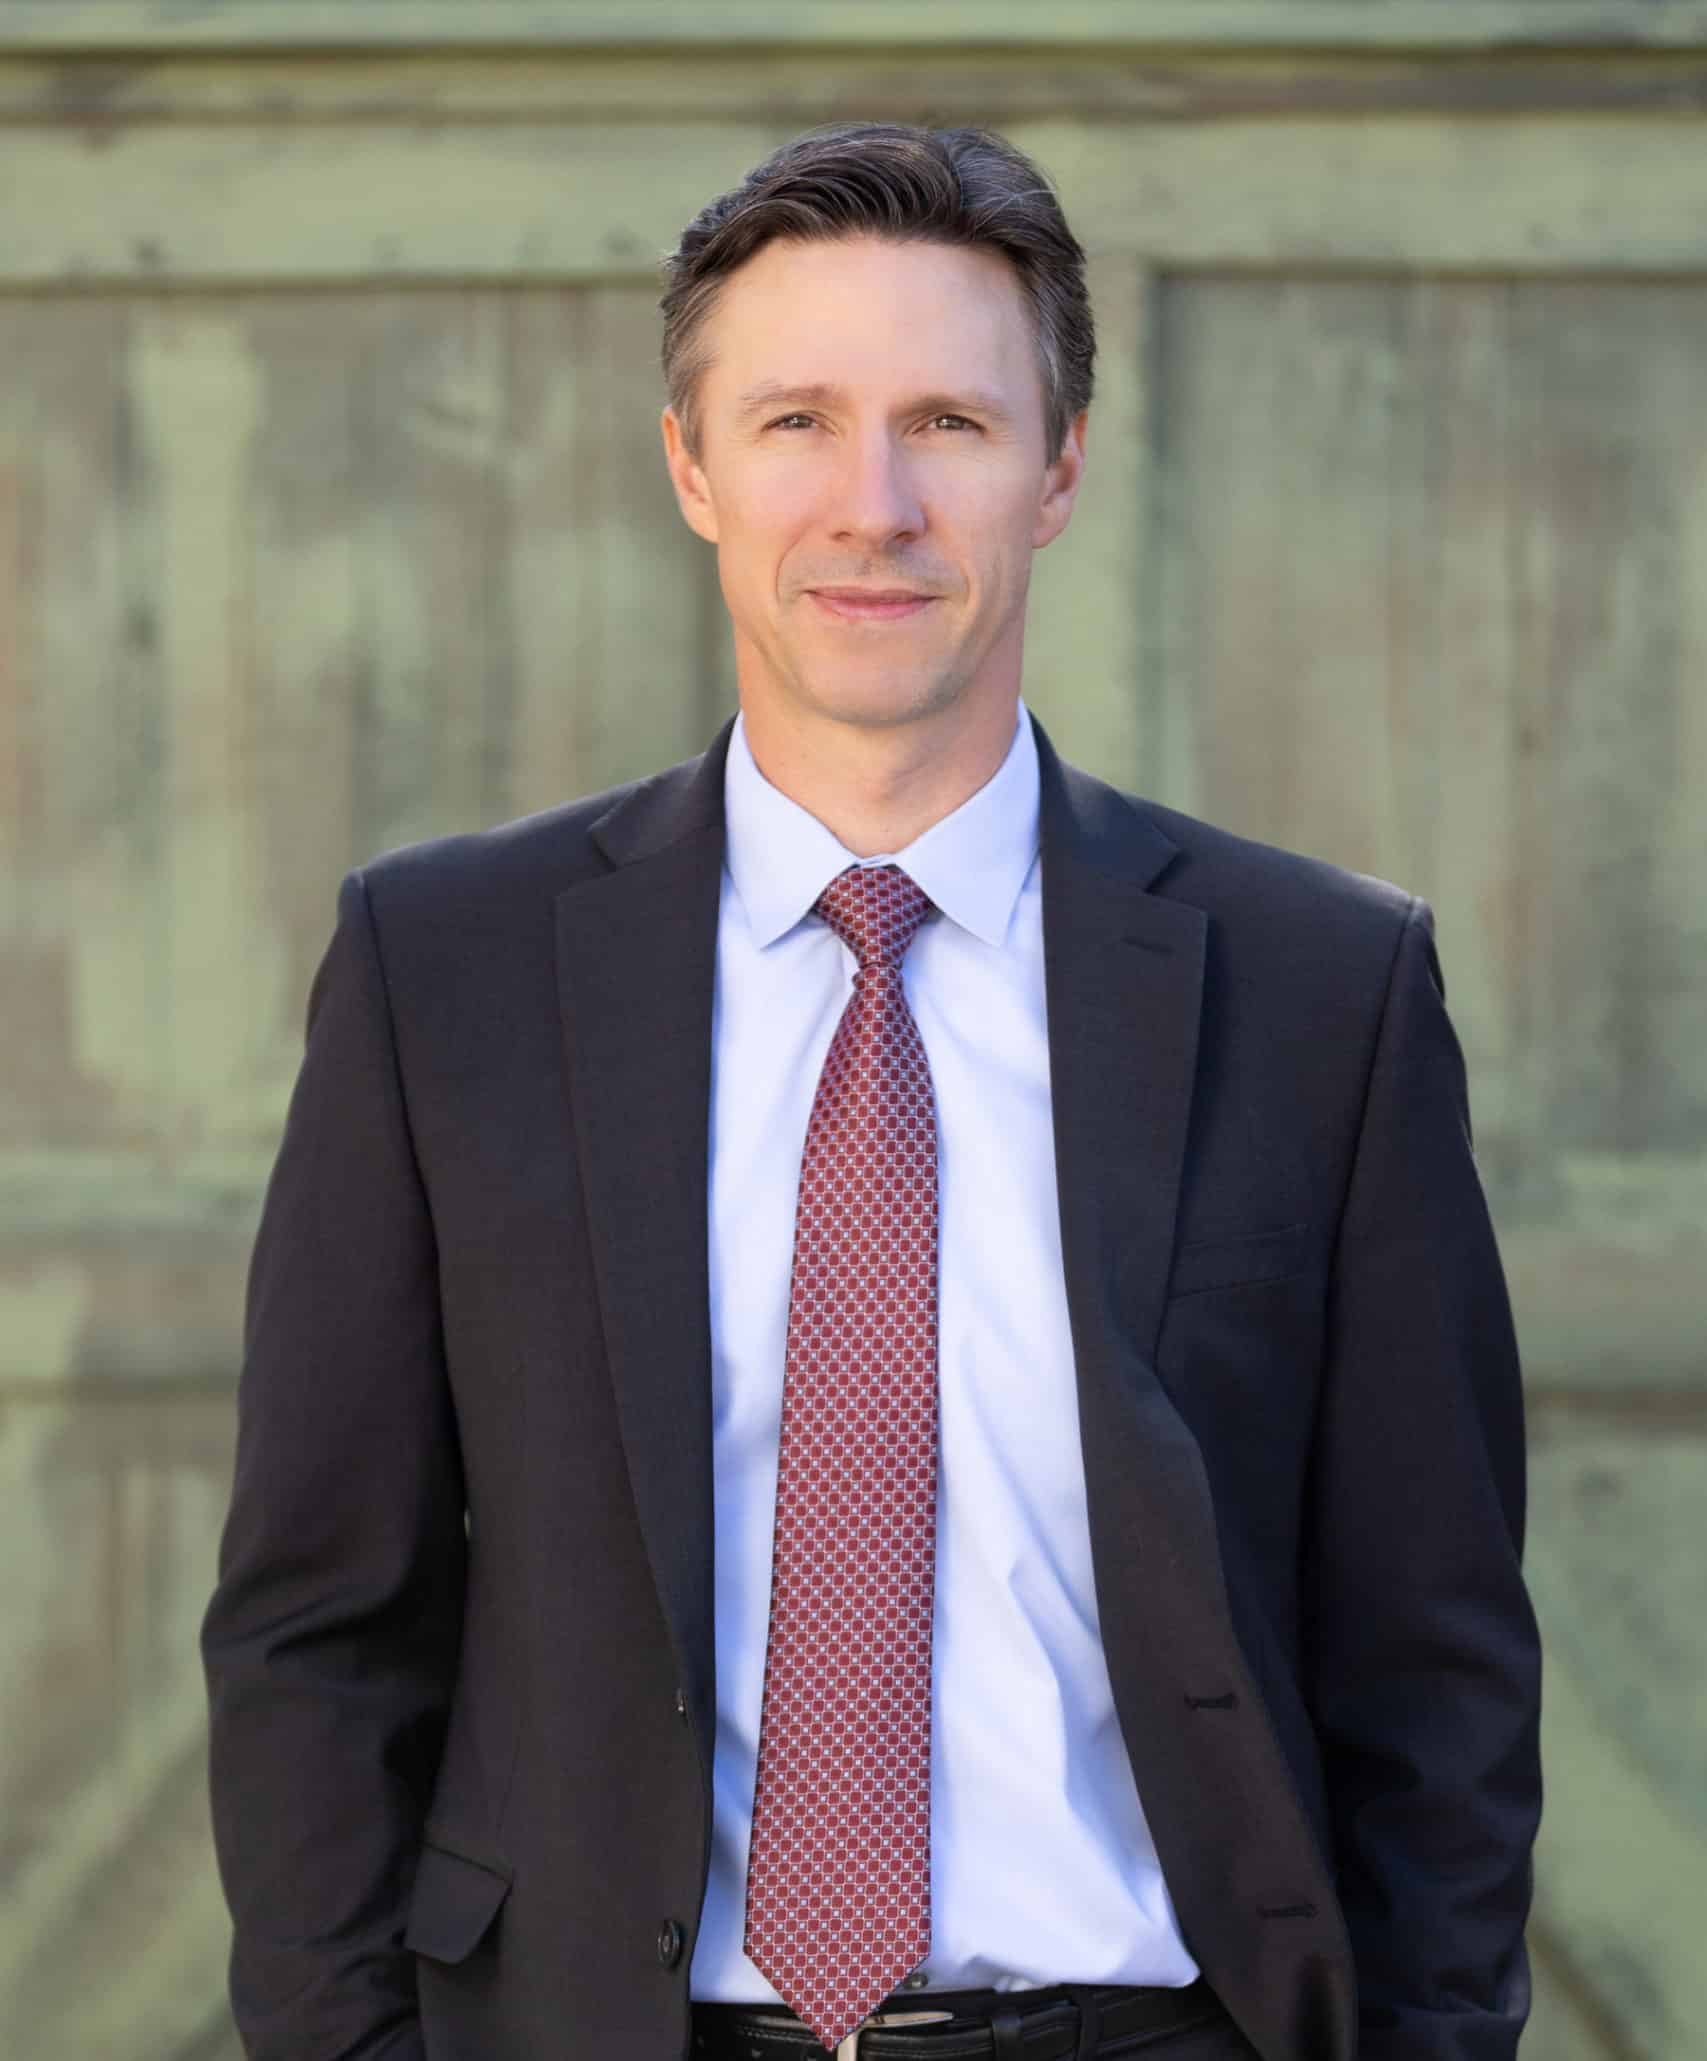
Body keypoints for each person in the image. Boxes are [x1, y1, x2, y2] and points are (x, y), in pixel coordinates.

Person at [200, 122, 1542, 2061]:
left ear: (1059, 466)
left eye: (951, 424)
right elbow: (318, 1625)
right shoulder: (446, 972)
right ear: (689, 465)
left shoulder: (1318, 987)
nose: (874, 502)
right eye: (796, 422)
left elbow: (1432, 1660)